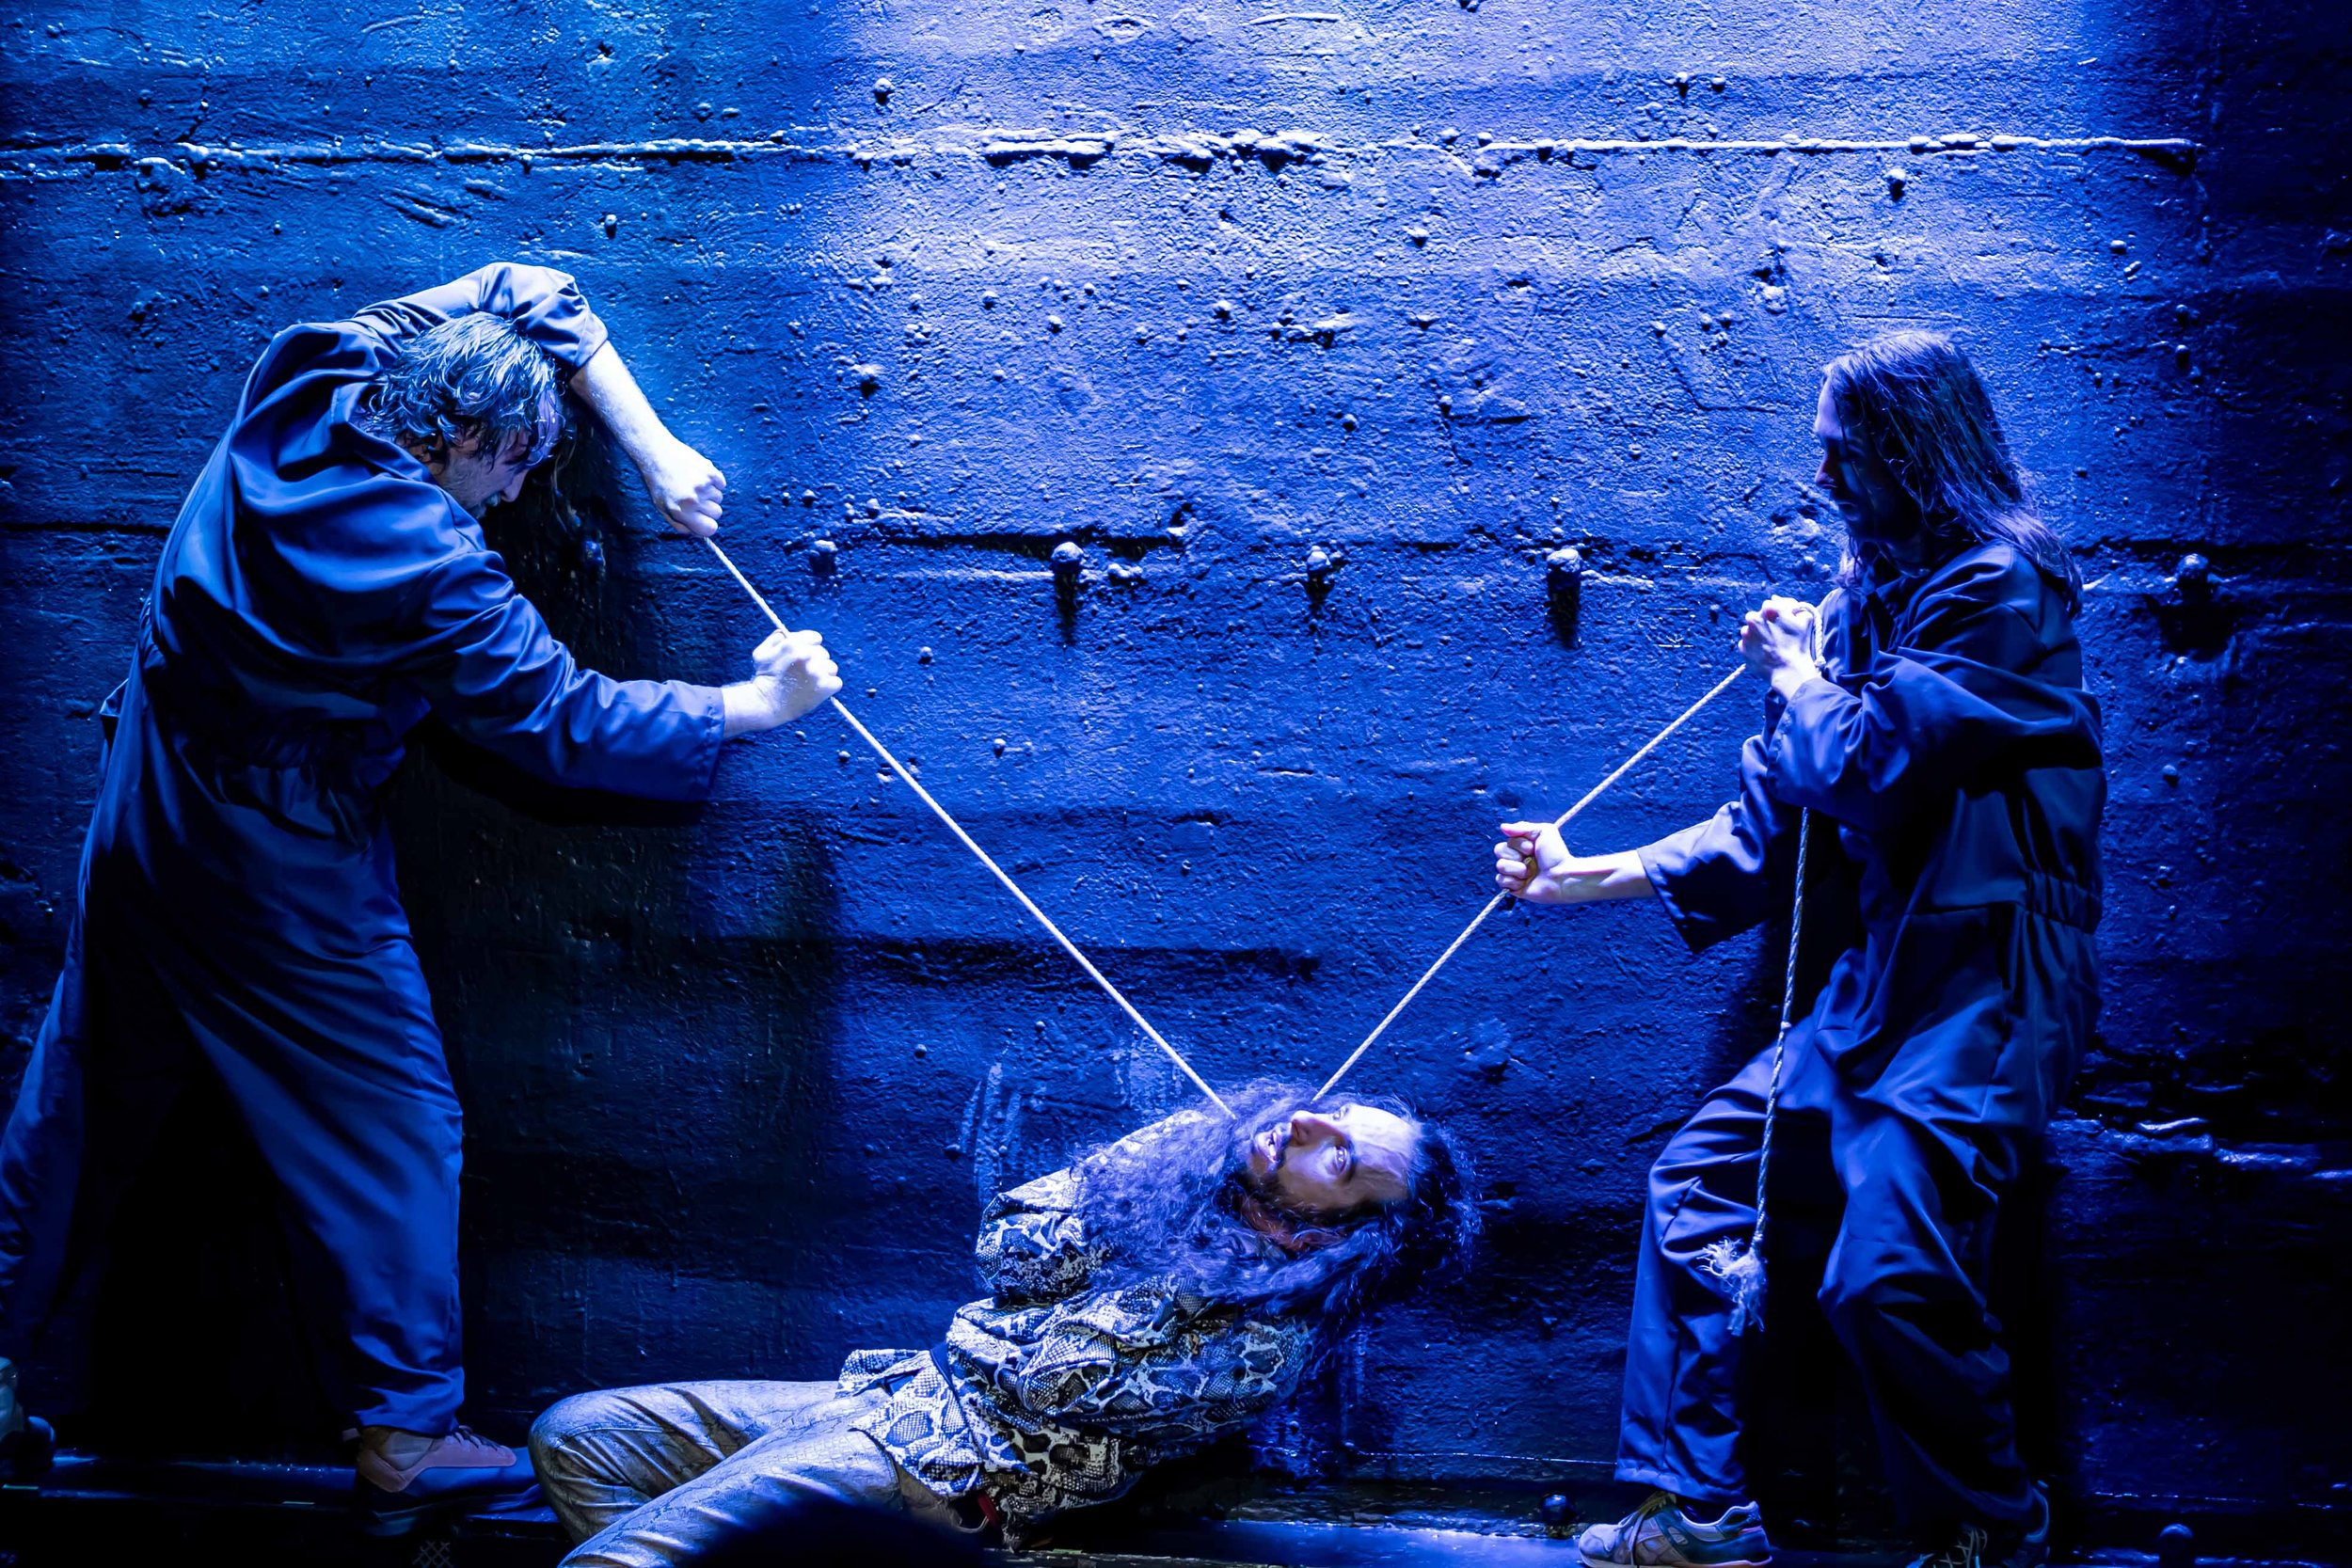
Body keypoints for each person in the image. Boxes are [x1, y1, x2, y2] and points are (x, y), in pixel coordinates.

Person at [0, 264, 844, 1529]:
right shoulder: (434, 564)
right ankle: (404, 1435)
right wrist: (756, 704)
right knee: (393, 1116)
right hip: (275, 849)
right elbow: (563, 719)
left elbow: (524, 283)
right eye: (516, 465)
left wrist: (653, 446)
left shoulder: (314, 371)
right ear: (462, 440)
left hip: (149, 792)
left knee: (78, 1096)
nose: (518, 494)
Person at [1494, 331, 2103, 1568]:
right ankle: (1700, 1508)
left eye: (1843, 452)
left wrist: (1797, 673)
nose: (1822, 478)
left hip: (1986, 983)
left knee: (1883, 1271)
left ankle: (1993, 1527)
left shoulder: (2004, 589)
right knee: (1699, 1183)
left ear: (1912, 451)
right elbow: (1772, 824)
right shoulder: (1860, 610)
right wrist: (1577, 873)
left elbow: (1871, 768)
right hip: (1877, 986)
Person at [529, 1085, 1478, 1564]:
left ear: (1328, 1234)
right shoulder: (1182, 1187)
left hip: (953, 1466)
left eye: (1340, 1158)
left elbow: (1049, 1375)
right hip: (901, 1393)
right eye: (1332, 1112)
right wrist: (1162, 1164)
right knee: (576, 1436)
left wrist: (1194, 1252)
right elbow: (1007, 1248)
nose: (1307, 1122)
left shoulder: (1267, 1340)